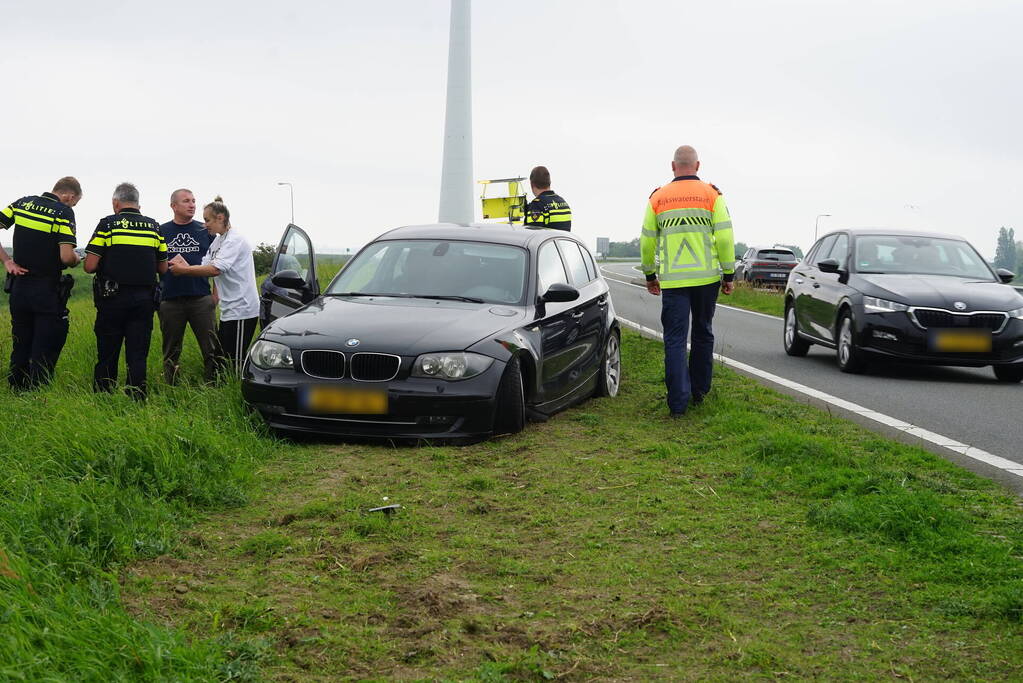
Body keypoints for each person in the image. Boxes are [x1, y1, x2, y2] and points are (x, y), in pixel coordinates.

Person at [640, 145, 735, 417]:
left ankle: (677, 404)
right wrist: (728, 274)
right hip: (706, 280)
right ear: (698, 165)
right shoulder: (711, 195)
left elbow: (647, 240)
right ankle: (700, 392)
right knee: (703, 332)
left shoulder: (658, 198)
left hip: (673, 282)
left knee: (675, 339)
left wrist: (650, 274)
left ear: (673, 166)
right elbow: (726, 237)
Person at [84, 182, 168, 399]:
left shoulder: (108, 224)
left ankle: (104, 396)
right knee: (138, 354)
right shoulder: (154, 227)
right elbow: (163, 267)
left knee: (107, 352)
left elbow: (90, 266)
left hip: (111, 299)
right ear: (138, 204)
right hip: (144, 300)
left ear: (116, 203)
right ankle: (137, 398)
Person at [0, 177, 83, 390]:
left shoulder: (22, 203)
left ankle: (16, 389)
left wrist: (7, 261)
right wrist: (76, 258)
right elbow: (66, 257)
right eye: (74, 203)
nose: (72, 206)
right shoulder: (63, 212)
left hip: (19, 287)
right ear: (69, 196)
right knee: (43, 346)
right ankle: (38, 396)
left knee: (20, 343)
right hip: (46, 289)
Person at [168, 196, 259, 374]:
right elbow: (205, 264)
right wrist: (181, 265)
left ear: (220, 218)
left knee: (235, 360)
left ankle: (241, 394)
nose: (205, 225)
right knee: (221, 357)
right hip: (228, 309)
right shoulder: (218, 241)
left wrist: (185, 271)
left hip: (242, 309)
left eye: (207, 220)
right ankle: (223, 388)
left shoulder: (235, 240)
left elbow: (215, 269)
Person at [158, 189, 218, 383]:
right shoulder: (161, 231)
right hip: (170, 299)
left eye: (193, 201)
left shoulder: (204, 229)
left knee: (211, 347)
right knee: (171, 349)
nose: (192, 205)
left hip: (200, 297)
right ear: (173, 206)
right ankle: (172, 385)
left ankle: (213, 383)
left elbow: (218, 262)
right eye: (186, 201)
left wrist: (215, 295)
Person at [523, 166, 572, 231]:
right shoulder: (563, 203)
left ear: (532, 184)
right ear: (549, 182)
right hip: (563, 241)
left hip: (547, 241)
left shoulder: (537, 205)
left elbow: (533, 236)